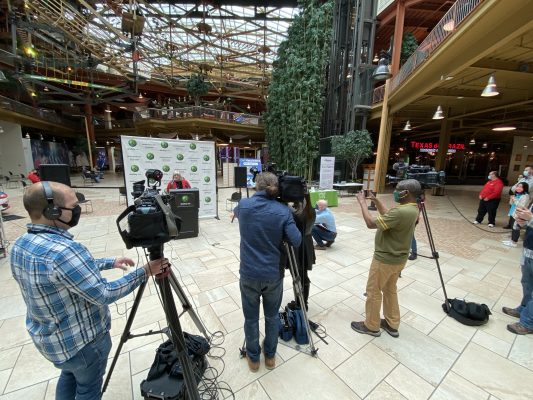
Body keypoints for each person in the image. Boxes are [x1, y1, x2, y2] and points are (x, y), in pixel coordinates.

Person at [10, 181, 167, 399]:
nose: (78, 210)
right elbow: (104, 293)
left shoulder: (21, 244)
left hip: (55, 343)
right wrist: (145, 271)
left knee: (69, 375)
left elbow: (66, 270)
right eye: (73, 206)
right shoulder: (64, 251)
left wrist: (109, 262)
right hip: (83, 345)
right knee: (88, 390)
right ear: (52, 211)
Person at [233, 172, 301, 372]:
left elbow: (237, 212)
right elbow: (296, 240)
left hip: (249, 274)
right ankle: (270, 357)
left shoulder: (243, 205)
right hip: (273, 275)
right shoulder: (283, 210)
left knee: (251, 319)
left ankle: (254, 359)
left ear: (257, 186)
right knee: (272, 318)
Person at [352, 179, 421, 338]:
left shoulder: (401, 212)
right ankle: (392, 323)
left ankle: (371, 326)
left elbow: (370, 223)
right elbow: (389, 216)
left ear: (406, 193)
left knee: (373, 291)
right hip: (398, 259)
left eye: (397, 189)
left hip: (385, 259)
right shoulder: (412, 208)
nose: (395, 192)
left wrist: (362, 203)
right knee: (390, 290)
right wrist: (376, 201)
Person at [502, 205, 533, 335]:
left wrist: (531, 218)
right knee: (527, 284)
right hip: (529, 250)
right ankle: (524, 309)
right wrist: (524, 222)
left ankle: (528, 322)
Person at [289, 194, 316, 311]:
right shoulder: (310, 209)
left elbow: (296, 219)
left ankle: (301, 304)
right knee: (302, 275)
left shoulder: (299, 213)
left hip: (299, 245)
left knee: (297, 276)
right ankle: (302, 302)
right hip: (306, 243)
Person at [502, 183, 530, 247]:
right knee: (513, 227)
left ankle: (514, 242)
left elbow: (521, 206)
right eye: (518, 186)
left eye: (521, 187)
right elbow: (511, 203)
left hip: (519, 214)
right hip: (513, 213)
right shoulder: (517, 194)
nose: (518, 188)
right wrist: (512, 198)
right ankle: (512, 240)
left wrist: (514, 199)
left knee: (516, 228)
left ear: (524, 188)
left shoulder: (525, 196)